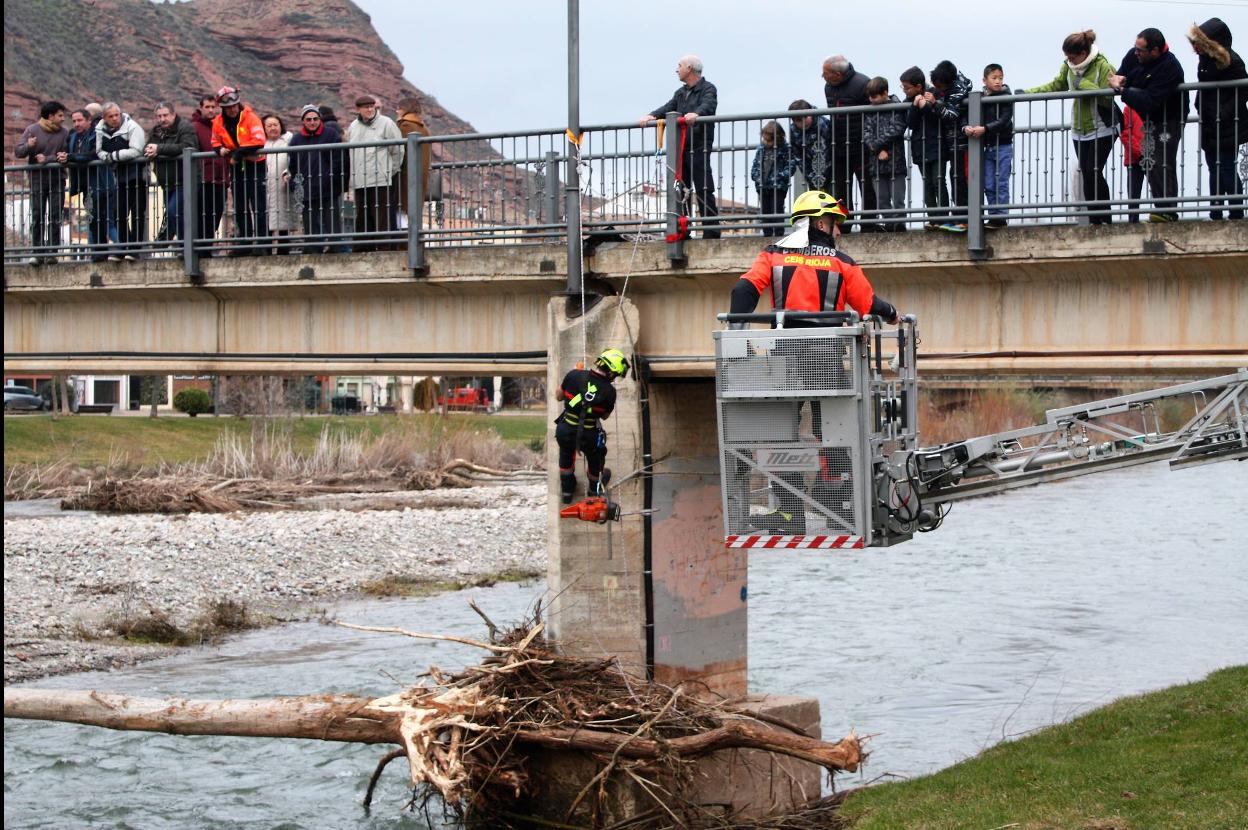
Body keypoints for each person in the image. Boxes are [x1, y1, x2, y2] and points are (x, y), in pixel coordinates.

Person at [728, 191, 899, 533]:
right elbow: (867, 303)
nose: (838, 232)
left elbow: (743, 291)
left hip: (786, 360)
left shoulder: (773, 254)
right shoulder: (842, 262)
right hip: (826, 358)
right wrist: (892, 313)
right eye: (835, 224)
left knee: (781, 436)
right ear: (820, 222)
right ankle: (841, 510)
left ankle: (790, 516)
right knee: (834, 433)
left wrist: (736, 332)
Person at [1025, 30, 1119, 226]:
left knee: (1093, 170)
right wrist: (1027, 92)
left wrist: (1082, 84)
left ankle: (1104, 219)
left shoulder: (1103, 65)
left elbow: (1108, 95)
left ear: (1084, 53)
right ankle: (1095, 221)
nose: (1069, 60)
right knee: (1086, 173)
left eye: (1072, 57)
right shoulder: (1068, 67)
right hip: (1079, 129)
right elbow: (1058, 84)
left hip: (1102, 126)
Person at [1110, 28, 1188, 222]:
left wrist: (1124, 91)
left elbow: (1151, 100)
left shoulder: (1170, 66)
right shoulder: (1134, 55)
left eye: (1141, 51)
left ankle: (1167, 210)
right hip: (1149, 118)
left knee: (1161, 158)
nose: (1136, 53)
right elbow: (1121, 75)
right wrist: (1119, 80)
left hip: (1169, 118)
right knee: (1150, 157)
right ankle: (1162, 208)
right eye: (1135, 48)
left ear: (1155, 51)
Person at [639, 54, 720, 239]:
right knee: (680, 189)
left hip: (699, 146)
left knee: (704, 188)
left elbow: (708, 106)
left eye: (680, 66)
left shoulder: (708, 89)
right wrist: (652, 115)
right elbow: (669, 107)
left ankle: (711, 232)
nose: (677, 69)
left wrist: (696, 114)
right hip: (682, 147)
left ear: (689, 68)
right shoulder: (681, 93)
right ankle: (683, 231)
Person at [1189, 18, 1247, 221]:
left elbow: (1242, 92)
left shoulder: (1232, 61)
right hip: (1210, 123)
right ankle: (1216, 212)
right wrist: (1202, 107)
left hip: (1228, 123)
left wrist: (1223, 113)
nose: (1195, 48)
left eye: (1199, 43)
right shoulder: (1205, 60)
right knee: (1214, 166)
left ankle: (1236, 213)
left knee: (1227, 166)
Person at [555, 348, 630, 504]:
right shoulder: (610, 391)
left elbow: (558, 396)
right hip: (589, 435)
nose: (614, 378)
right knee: (596, 458)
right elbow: (605, 416)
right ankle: (593, 490)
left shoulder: (574, 375)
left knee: (566, 454)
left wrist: (574, 386)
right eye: (615, 375)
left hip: (566, 429)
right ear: (610, 372)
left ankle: (567, 491)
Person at [210, 86, 267, 253]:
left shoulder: (250, 117)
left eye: (234, 106)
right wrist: (219, 149)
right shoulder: (219, 122)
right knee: (240, 205)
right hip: (236, 168)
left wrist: (237, 154)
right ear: (223, 108)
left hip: (255, 165)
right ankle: (245, 243)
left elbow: (258, 141)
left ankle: (263, 244)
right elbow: (215, 141)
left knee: (259, 205)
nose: (232, 109)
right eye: (228, 108)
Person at [344, 94, 404, 251]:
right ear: (358, 109)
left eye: (372, 106)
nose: (370, 109)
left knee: (382, 217)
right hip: (360, 180)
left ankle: (385, 250)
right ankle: (363, 249)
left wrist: (389, 172)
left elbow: (397, 150)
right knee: (362, 218)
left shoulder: (386, 123)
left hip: (381, 180)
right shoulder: (353, 127)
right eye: (366, 107)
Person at [286, 104, 349, 254]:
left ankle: (336, 249)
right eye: (309, 119)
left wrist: (331, 179)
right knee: (310, 224)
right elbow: (293, 165)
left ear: (320, 119)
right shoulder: (296, 140)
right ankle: (313, 249)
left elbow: (339, 160)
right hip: (307, 189)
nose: (312, 122)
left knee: (332, 222)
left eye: (315, 119)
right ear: (303, 121)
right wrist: (295, 184)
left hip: (328, 188)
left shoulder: (331, 135)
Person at [822, 55, 875, 229]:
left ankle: (869, 224)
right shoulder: (828, 87)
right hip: (838, 146)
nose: (823, 77)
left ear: (838, 74)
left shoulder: (863, 84)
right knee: (840, 191)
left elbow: (874, 114)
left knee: (867, 188)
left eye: (825, 74)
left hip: (861, 147)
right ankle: (843, 226)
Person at [14, 100, 70, 265]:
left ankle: (52, 252)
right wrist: (29, 147)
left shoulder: (64, 133)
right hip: (37, 180)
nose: (62, 119)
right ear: (50, 116)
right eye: (60, 115)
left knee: (54, 216)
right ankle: (37, 253)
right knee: (37, 215)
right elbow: (18, 151)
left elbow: (67, 154)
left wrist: (48, 159)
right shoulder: (32, 130)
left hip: (58, 179)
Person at [96, 102, 147, 260]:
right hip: (119, 177)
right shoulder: (100, 130)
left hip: (138, 176)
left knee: (137, 213)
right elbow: (99, 150)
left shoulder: (132, 127)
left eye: (116, 115)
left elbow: (136, 150)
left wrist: (113, 157)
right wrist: (107, 157)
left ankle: (134, 249)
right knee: (119, 213)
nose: (114, 119)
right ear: (104, 118)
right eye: (110, 116)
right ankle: (123, 246)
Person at [901, 66, 950, 230]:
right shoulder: (908, 101)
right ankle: (933, 218)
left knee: (938, 181)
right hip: (920, 148)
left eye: (907, 88)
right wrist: (915, 106)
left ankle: (943, 217)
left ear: (918, 86)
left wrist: (926, 105)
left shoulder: (935, 94)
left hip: (937, 146)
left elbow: (938, 117)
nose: (905, 90)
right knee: (927, 183)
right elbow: (911, 124)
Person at [966, 64, 1015, 228]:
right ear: (984, 80)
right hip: (989, 147)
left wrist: (985, 129)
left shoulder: (1007, 97)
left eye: (1000, 78)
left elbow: (1004, 120)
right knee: (988, 183)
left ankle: (1001, 216)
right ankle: (993, 215)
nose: (998, 81)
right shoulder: (983, 99)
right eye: (994, 78)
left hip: (1004, 146)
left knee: (1001, 182)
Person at [926, 60, 973, 231]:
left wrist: (935, 103)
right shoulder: (949, 88)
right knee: (955, 178)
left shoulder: (958, 91)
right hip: (952, 143)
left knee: (960, 179)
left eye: (939, 86)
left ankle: (965, 218)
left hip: (962, 143)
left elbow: (951, 115)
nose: (937, 89)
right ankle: (959, 216)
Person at [144, 102, 198, 245]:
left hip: (184, 179)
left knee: (174, 211)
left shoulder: (185, 127)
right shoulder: (156, 131)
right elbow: (148, 146)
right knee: (175, 214)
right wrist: (149, 151)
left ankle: (176, 241)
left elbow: (187, 146)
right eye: (159, 116)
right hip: (166, 182)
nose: (162, 119)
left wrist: (159, 149)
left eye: (165, 115)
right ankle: (180, 244)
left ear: (173, 114)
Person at [862, 77, 908, 232]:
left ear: (885, 93)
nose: (871, 100)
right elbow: (866, 134)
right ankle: (889, 225)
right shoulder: (869, 110)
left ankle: (899, 226)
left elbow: (897, 128)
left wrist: (877, 146)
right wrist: (877, 149)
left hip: (896, 160)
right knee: (881, 199)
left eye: (874, 96)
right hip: (876, 162)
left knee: (898, 198)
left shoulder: (897, 107)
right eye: (870, 97)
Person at [191, 94, 230, 249]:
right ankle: (202, 249)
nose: (210, 110)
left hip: (221, 179)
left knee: (216, 214)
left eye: (213, 107)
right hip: (204, 179)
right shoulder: (195, 127)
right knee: (203, 216)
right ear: (201, 108)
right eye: (207, 107)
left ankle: (208, 246)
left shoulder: (222, 125)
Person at [750, 121, 793, 237]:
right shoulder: (761, 148)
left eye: (769, 140)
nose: (766, 143)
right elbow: (755, 164)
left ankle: (779, 235)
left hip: (778, 187)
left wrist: (779, 177)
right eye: (765, 140)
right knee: (765, 212)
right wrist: (755, 176)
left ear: (778, 138)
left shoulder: (785, 148)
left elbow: (790, 167)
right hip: (762, 186)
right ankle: (767, 235)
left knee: (777, 210)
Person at [395, 97, 432, 224]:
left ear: (406, 109)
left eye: (399, 108)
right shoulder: (424, 129)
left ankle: (404, 244)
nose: (396, 111)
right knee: (414, 214)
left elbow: (398, 152)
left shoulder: (405, 125)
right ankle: (415, 243)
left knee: (401, 213)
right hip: (420, 175)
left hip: (406, 176)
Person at [262, 114, 296, 252]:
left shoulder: (289, 140)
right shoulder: (261, 143)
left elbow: (294, 160)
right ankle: (266, 250)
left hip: (283, 185)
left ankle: (284, 250)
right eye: (269, 126)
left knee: (284, 217)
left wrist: (288, 172)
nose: (273, 128)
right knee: (266, 217)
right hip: (266, 186)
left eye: (275, 125)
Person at [787, 100, 830, 194]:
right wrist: (810, 175)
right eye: (798, 121)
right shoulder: (793, 130)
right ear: (793, 121)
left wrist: (825, 172)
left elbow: (829, 150)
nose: (803, 123)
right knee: (817, 200)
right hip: (811, 172)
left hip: (830, 169)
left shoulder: (822, 124)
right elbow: (797, 156)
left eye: (805, 117)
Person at [1121, 105, 1147, 223]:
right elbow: (1124, 133)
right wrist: (1140, 151)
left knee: (1158, 189)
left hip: (1147, 155)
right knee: (1133, 195)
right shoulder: (1128, 109)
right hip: (1134, 159)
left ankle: (1161, 215)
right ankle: (1133, 222)